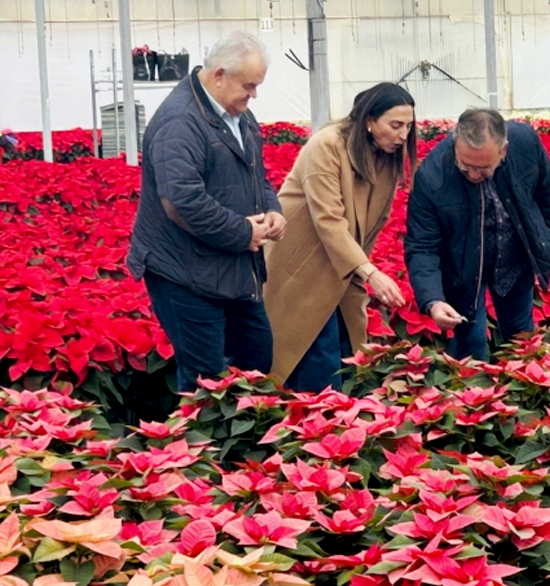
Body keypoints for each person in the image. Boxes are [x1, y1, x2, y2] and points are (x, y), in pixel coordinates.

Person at [126, 31, 285, 393]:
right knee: (205, 381)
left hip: (230, 267)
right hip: (184, 272)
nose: (253, 94)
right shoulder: (180, 122)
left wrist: (271, 209)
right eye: (249, 85)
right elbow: (182, 200)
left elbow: (255, 175)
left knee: (256, 360)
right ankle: (198, 432)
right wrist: (243, 232)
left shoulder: (238, 115)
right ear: (219, 75)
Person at [264, 83, 415, 392]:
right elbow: (328, 220)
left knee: (347, 362)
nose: (403, 135)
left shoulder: (386, 155)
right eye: (396, 125)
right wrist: (370, 272)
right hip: (302, 270)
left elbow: (372, 223)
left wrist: (362, 271)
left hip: (343, 270)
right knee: (316, 364)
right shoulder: (327, 144)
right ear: (369, 120)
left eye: (409, 126)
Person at [404, 108, 550, 361]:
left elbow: (547, 196)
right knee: (470, 346)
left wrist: (544, 237)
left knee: (521, 340)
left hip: (513, 259)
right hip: (462, 266)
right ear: (455, 144)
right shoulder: (432, 176)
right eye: (465, 166)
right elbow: (422, 245)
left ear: (503, 151)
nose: (474, 175)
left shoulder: (525, 143)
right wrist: (433, 300)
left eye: (484, 168)